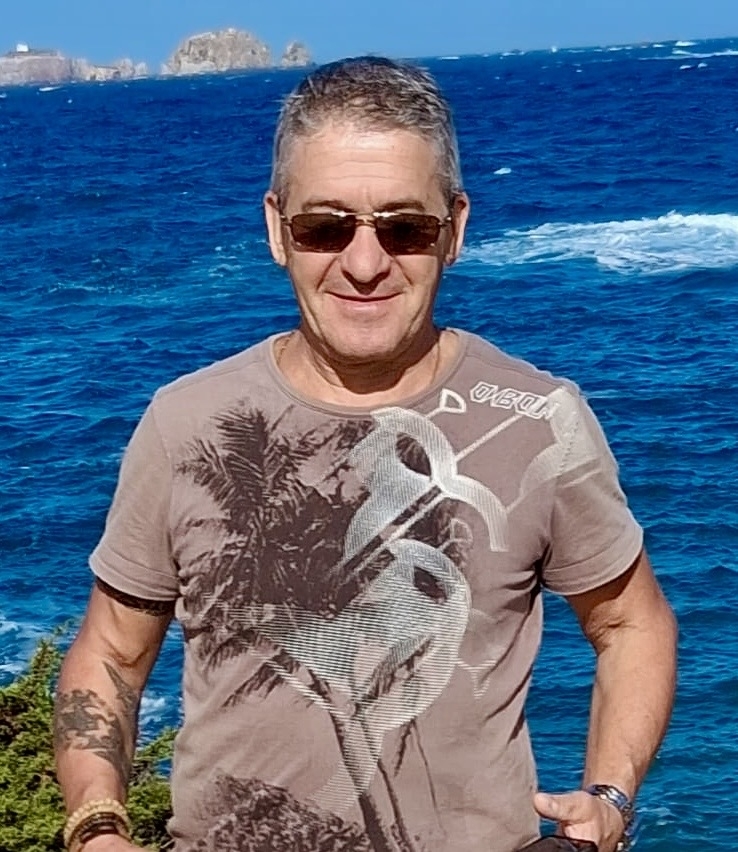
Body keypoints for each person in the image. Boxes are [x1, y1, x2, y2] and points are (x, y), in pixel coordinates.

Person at [54, 56, 677, 852]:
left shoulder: (540, 421)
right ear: (277, 229)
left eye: (404, 228)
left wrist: (609, 797)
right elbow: (111, 651)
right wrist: (97, 825)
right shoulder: (188, 423)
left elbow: (631, 623)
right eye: (325, 227)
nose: (364, 263)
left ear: (454, 230)